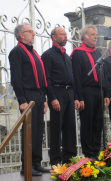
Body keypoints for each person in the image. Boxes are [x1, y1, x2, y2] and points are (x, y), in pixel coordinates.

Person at [8, 23, 49, 176]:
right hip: (28, 96)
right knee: (29, 132)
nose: (34, 34)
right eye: (30, 31)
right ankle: (27, 166)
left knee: (38, 131)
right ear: (21, 35)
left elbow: (40, 76)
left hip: (38, 95)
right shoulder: (17, 52)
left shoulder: (34, 52)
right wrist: (22, 100)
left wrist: (44, 98)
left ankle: (36, 163)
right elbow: (16, 78)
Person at [70, 24, 110, 160]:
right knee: (87, 122)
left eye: (96, 34)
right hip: (86, 91)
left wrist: (105, 93)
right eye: (92, 34)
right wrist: (79, 97)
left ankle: (96, 151)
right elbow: (76, 77)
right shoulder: (78, 53)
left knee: (98, 121)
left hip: (98, 90)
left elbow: (103, 74)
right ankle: (88, 153)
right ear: (84, 36)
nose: (95, 37)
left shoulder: (97, 52)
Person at [41, 27, 79, 166]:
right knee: (57, 127)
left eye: (66, 34)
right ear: (54, 37)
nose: (65, 36)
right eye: (62, 34)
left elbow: (72, 78)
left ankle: (69, 157)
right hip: (57, 93)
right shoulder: (48, 55)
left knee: (70, 126)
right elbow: (47, 79)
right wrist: (52, 98)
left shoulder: (67, 56)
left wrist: (75, 97)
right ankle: (55, 160)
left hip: (69, 93)